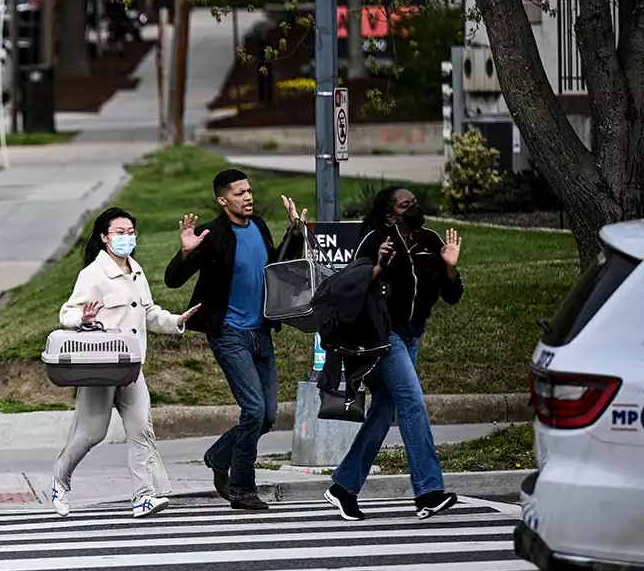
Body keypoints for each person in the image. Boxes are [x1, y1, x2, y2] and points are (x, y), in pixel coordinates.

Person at [163, 169, 305, 511]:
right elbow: (172, 280)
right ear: (222, 200)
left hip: (260, 332)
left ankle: (218, 454)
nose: (248, 197)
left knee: (268, 415)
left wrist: (295, 233)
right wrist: (185, 253)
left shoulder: (258, 226)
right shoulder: (213, 234)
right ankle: (242, 489)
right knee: (254, 409)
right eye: (239, 193)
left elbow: (279, 267)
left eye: (249, 191)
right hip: (229, 333)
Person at [325, 187, 463, 522]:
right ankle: (428, 492)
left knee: (385, 411)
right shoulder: (375, 240)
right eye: (406, 205)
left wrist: (449, 266)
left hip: (412, 335)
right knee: (412, 403)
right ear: (390, 215)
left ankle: (343, 487)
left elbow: (452, 295)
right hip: (382, 336)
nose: (414, 207)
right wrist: (380, 264)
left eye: (416, 202)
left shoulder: (430, 240)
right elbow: (351, 287)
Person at [53, 208, 201, 518]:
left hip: (131, 367)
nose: (127, 237)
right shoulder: (92, 274)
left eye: (131, 231)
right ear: (105, 238)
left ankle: (143, 497)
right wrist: (84, 317)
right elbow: (66, 314)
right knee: (91, 433)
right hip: (101, 366)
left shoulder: (137, 271)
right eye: (119, 232)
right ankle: (60, 479)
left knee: (141, 431)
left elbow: (148, 313)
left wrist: (176, 320)